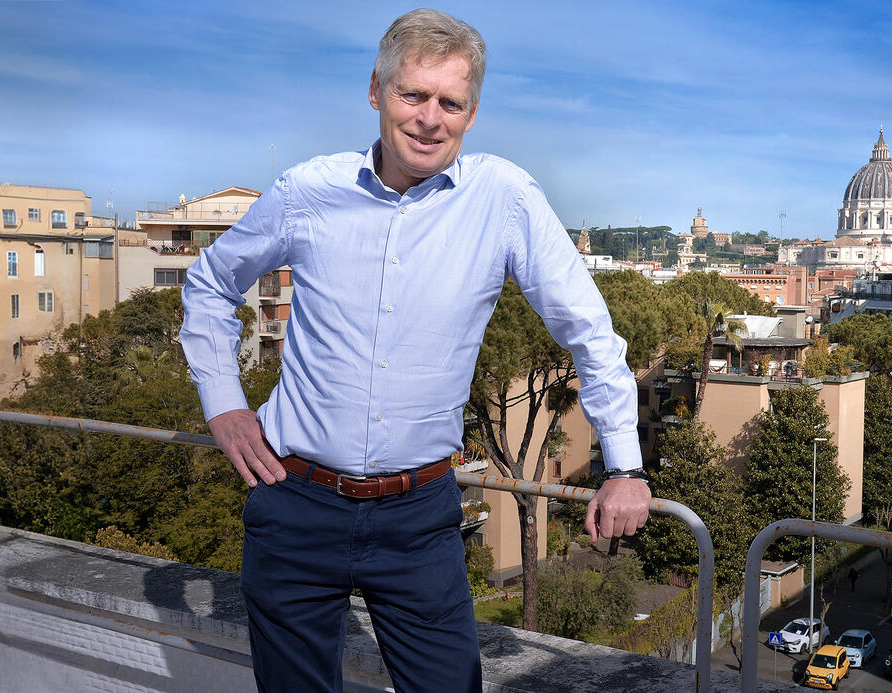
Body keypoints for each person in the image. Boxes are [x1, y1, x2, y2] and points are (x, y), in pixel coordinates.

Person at [179, 9, 651, 692]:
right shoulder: (308, 191)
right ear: (375, 91)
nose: (430, 118)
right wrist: (224, 404)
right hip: (293, 503)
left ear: (472, 111)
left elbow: (589, 330)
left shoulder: (504, 199)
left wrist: (625, 465)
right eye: (413, 95)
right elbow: (208, 284)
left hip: (419, 518)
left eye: (449, 102)